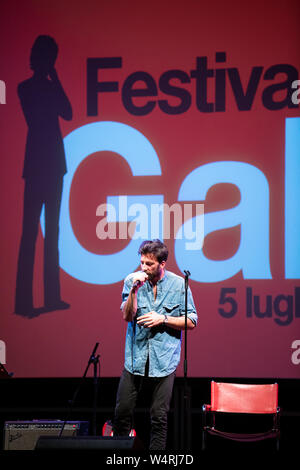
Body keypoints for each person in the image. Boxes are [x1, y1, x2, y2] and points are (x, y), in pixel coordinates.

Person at [113, 239, 198, 450]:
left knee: (159, 417)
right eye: (142, 262)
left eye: (149, 264)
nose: (144, 268)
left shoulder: (179, 284)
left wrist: (163, 319)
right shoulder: (131, 281)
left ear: (162, 264)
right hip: (135, 358)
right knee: (122, 413)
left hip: (164, 360)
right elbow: (127, 316)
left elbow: (192, 321)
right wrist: (133, 290)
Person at [15, 35, 72, 315]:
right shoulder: (25, 88)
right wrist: (52, 81)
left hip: (53, 165)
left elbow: (68, 112)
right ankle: (24, 302)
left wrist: (56, 78)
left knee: (53, 232)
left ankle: (51, 298)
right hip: (38, 163)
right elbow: (45, 116)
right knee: (30, 234)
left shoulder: (50, 87)